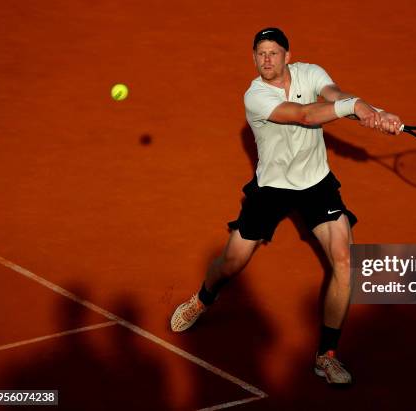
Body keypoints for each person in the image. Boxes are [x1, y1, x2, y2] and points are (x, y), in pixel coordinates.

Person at [171, 27, 402, 385]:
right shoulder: (256, 96)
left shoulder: (311, 73)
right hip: (272, 188)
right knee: (232, 262)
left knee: (344, 259)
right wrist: (356, 107)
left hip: (316, 183)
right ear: (254, 58)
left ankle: (327, 355)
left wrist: (375, 113)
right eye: (260, 54)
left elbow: (335, 96)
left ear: (287, 56)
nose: (267, 60)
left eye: (274, 53)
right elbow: (306, 115)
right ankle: (203, 299)